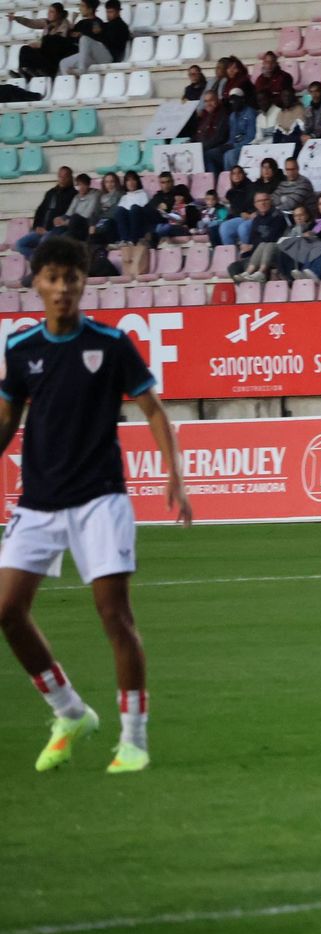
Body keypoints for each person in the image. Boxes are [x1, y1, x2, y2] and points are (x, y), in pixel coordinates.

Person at [0, 235, 192, 775]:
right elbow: (7, 422)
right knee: (6, 611)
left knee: (115, 615)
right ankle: (69, 711)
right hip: (37, 501)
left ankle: (133, 739)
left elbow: (154, 410)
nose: (62, 289)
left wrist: (174, 475)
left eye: (72, 278)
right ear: (36, 283)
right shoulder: (21, 350)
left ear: (84, 282)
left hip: (99, 500)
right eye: (53, 278)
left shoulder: (111, 345)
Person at [14, 167, 78, 260]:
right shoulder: (51, 193)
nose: (62, 179)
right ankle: (39, 261)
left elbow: (69, 217)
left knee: (43, 244)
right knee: (20, 245)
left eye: (65, 177)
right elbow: (40, 210)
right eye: (60, 176)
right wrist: (37, 227)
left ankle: (40, 263)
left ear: (70, 178)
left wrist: (49, 231)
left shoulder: (74, 195)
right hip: (42, 230)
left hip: (57, 232)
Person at [227, 190, 288, 282]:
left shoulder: (278, 217)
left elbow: (272, 239)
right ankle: (245, 289)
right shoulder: (256, 219)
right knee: (233, 267)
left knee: (266, 245)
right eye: (259, 201)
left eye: (265, 200)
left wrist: (252, 245)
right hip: (256, 255)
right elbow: (253, 238)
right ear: (255, 204)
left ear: (270, 201)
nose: (262, 203)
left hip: (272, 255)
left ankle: (258, 275)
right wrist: (247, 247)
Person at [58, 0, 126, 74]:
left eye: (111, 12)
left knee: (84, 39)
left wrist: (100, 33)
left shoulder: (121, 26)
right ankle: (71, 83)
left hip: (109, 56)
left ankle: (82, 71)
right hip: (94, 56)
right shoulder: (106, 25)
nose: (108, 15)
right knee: (63, 63)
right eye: (107, 12)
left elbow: (113, 43)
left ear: (118, 11)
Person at [14, 4, 72, 79]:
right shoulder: (47, 23)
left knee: (41, 44)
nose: (48, 14)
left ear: (59, 14)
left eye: (52, 12)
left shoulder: (65, 24)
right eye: (48, 12)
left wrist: (41, 44)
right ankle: (22, 72)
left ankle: (41, 71)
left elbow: (57, 43)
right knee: (25, 49)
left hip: (54, 57)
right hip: (44, 53)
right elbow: (32, 23)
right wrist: (16, 18)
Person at [212, 164, 257, 247]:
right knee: (224, 227)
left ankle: (246, 254)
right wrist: (241, 214)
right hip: (240, 217)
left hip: (253, 216)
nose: (237, 176)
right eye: (234, 173)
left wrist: (253, 214)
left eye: (239, 173)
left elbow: (256, 203)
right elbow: (233, 209)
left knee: (243, 228)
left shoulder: (253, 187)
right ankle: (231, 255)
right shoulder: (230, 193)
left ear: (243, 174)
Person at [220, 87, 260, 171]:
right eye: (231, 100)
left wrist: (234, 145)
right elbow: (232, 137)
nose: (232, 102)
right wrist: (228, 144)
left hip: (249, 146)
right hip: (236, 146)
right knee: (216, 153)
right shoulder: (232, 116)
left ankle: (238, 178)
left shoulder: (250, 113)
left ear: (242, 100)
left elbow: (251, 137)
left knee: (230, 155)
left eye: (235, 100)